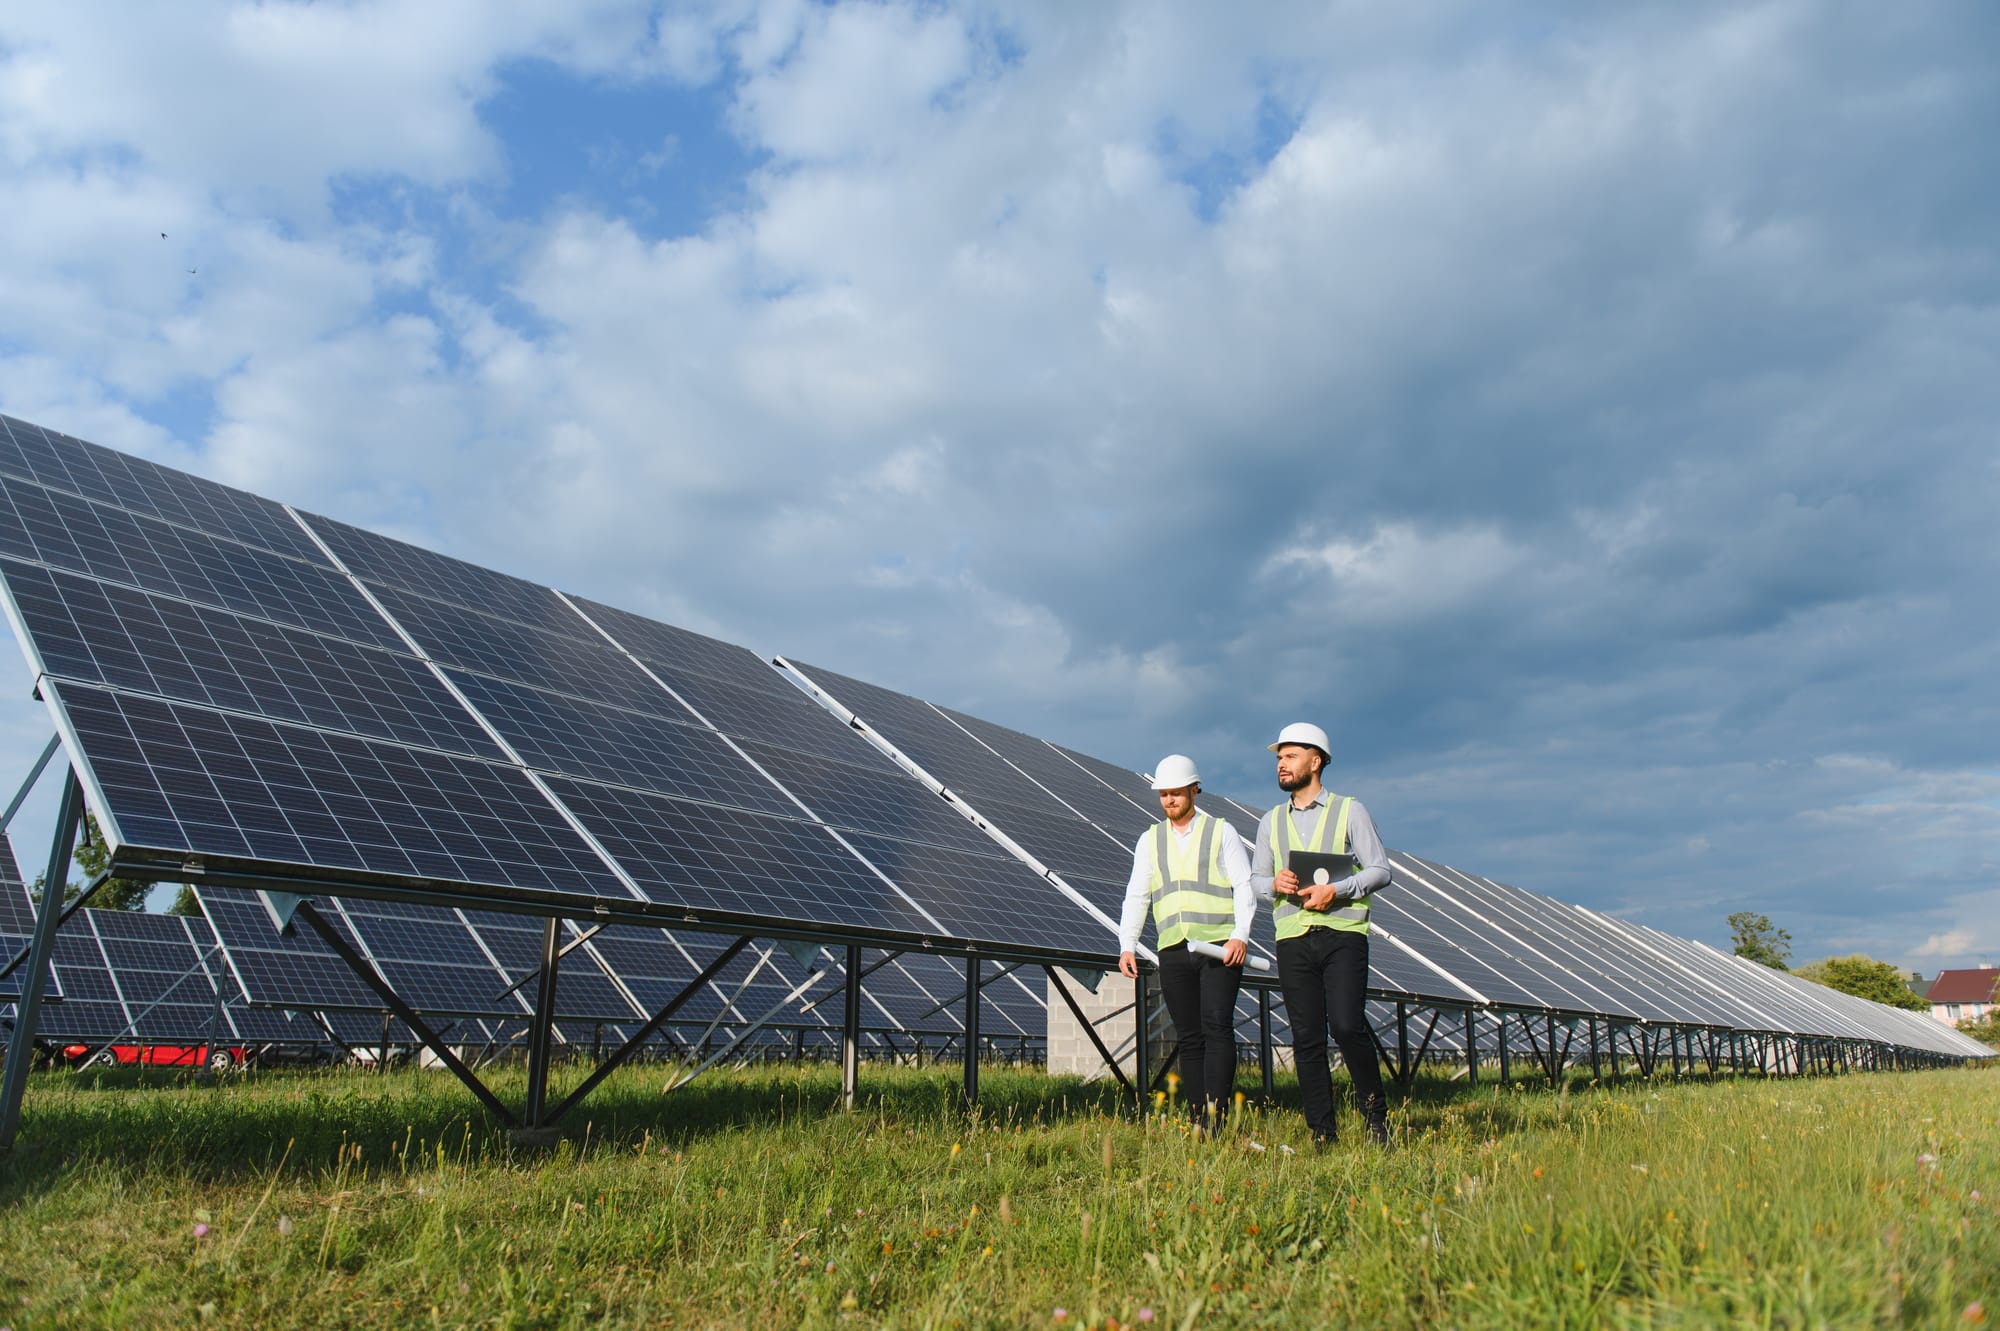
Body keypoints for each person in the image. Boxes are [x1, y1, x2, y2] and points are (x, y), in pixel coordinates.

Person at [1249, 722, 1393, 1146]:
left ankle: (1376, 1117)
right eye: (1279, 757)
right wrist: (1274, 884)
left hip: (1342, 934)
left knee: (1347, 1026)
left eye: (1290, 756)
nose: (1281, 764)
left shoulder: (1351, 810)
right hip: (1292, 937)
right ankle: (1322, 1133)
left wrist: (1339, 889)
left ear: (1317, 761)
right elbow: (1256, 881)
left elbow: (1381, 870)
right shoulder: (1270, 822)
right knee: (1306, 1037)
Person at [1118, 754, 1256, 1131]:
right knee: (1189, 1037)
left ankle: (1218, 1117)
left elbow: (1244, 886)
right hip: (1173, 948)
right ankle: (1199, 1118)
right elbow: (1137, 895)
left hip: (1217, 947)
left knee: (1217, 1026)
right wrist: (1127, 943)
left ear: (1194, 790)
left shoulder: (1221, 832)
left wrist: (1239, 936)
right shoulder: (1150, 840)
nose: (1169, 801)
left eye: (1176, 793)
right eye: (1163, 794)